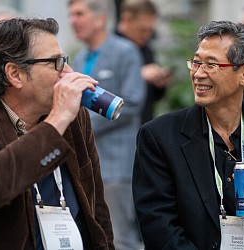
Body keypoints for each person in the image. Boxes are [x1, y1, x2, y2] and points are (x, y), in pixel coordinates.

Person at [0, 17, 114, 249]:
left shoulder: (73, 118)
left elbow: (96, 206)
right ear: (15, 74)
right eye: (55, 62)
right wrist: (57, 119)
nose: (67, 72)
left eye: (64, 61)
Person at [132, 20, 244, 249]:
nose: (198, 74)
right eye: (195, 62)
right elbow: (159, 229)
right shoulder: (159, 137)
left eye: (211, 65)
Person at [68, 0, 146, 249]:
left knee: (121, 238)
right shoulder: (78, 59)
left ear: (100, 18)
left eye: (79, 14)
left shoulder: (126, 51)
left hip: (117, 166)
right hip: (88, 166)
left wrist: (83, 125)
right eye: (71, 15)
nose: (73, 21)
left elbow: (133, 102)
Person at [116, 0, 172, 124]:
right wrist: (139, 75)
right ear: (126, 19)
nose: (147, 35)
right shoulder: (108, 47)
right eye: (142, 29)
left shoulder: (146, 49)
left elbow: (153, 98)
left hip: (143, 125)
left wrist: (159, 83)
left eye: (150, 31)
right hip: (117, 131)